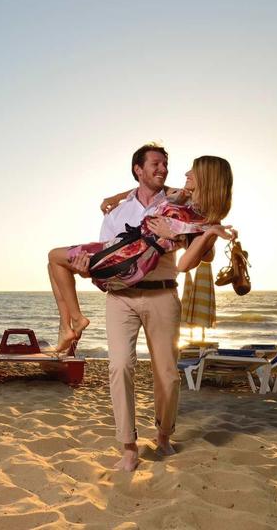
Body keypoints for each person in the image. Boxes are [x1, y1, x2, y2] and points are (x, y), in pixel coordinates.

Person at [48, 145, 233, 471]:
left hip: (163, 295)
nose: (165, 169)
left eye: (166, 164)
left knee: (167, 376)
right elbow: (111, 258)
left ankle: (163, 435)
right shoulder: (116, 212)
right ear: (139, 169)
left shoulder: (180, 203)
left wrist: (201, 234)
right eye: (156, 164)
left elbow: (194, 255)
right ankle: (128, 447)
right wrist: (84, 269)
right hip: (121, 297)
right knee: (119, 366)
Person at [47, 154, 235, 353]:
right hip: (125, 244)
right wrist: (116, 198)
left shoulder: (206, 224)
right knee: (54, 265)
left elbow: (184, 265)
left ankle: (76, 320)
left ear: (207, 177)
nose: (187, 173)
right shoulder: (181, 196)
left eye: (194, 171)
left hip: (128, 257)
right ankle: (66, 329)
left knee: (54, 257)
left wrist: (183, 235)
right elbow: (148, 186)